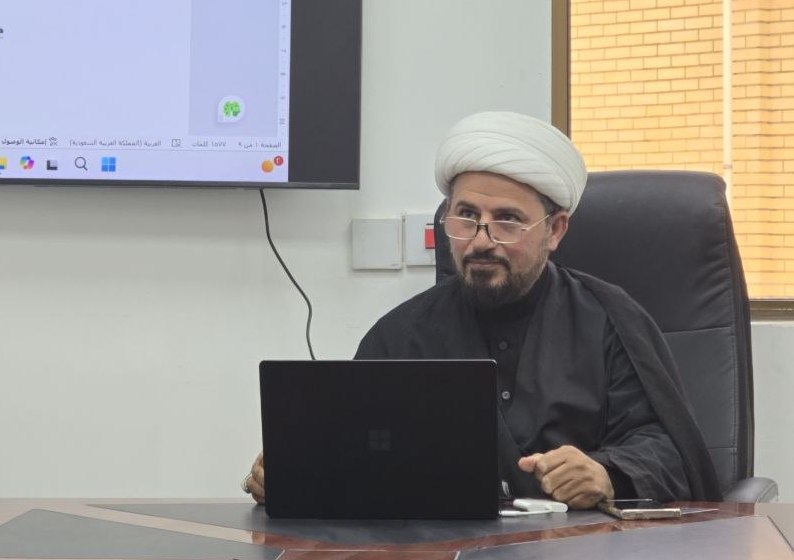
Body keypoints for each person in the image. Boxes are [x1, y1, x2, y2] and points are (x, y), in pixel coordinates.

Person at [243, 111, 721, 509]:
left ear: (555, 230)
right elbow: (352, 450)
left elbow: (667, 448)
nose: (481, 241)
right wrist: (292, 471)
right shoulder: (400, 335)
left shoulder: (609, 320)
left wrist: (606, 472)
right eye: (467, 216)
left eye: (507, 220)